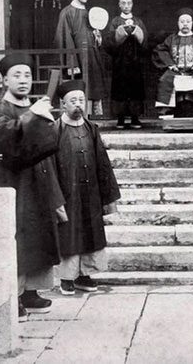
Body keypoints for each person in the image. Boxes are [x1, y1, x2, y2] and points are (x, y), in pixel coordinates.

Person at [0, 54, 68, 318]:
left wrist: (56, 196)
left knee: (39, 239)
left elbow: (48, 151)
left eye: (27, 75)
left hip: (39, 185)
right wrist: (33, 116)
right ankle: (13, 294)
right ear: (5, 79)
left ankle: (31, 292)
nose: (23, 80)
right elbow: (5, 140)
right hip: (15, 185)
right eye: (16, 75)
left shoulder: (35, 107)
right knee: (18, 240)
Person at [53, 80, 121, 295]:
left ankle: (85, 274)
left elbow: (102, 162)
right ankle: (66, 278)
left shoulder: (91, 128)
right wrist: (54, 198)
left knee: (90, 231)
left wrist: (108, 197)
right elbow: (49, 165)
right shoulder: (55, 130)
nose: (78, 105)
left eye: (81, 100)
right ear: (63, 104)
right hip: (67, 191)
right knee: (68, 234)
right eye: (73, 101)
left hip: (90, 191)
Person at [54, 0, 106, 117]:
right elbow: (64, 38)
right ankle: (79, 116)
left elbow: (93, 34)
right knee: (79, 84)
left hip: (91, 56)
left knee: (93, 84)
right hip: (77, 57)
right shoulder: (67, 12)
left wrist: (97, 37)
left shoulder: (90, 13)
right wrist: (72, 62)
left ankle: (90, 117)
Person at [152, 7, 193, 116]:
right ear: (178, 23)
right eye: (182, 22)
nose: (185, 24)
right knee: (165, 79)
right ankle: (166, 107)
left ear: (192, 23)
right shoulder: (171, 38)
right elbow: (160, 50)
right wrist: (170, 64)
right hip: (176, 71)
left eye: (188, 21)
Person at [105, 0, 148, 129]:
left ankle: (135, 118)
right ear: (119, 5)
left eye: (129, 3)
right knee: (120, 89)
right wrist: (120, 35)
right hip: (120, 62)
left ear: (132, 4)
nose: (126, 5)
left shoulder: (138, 21)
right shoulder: (115, 22)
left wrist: (138, 35)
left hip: (136, 61)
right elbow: (110, 42)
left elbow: (145, 42)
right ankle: (121, 118)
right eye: (123, 3)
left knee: (135, 89)